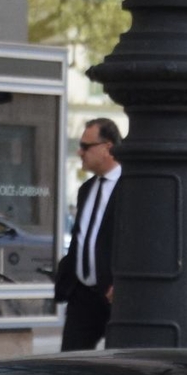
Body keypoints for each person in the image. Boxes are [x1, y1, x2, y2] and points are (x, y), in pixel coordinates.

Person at [55, 117, 123, 350]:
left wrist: (122, 281)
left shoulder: (131, 186)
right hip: (82, 295)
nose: (80, 152)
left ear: (108, 148)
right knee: (70, 364)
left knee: (119, 365)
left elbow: (138, 241)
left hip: (114, 295)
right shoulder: (86, 189)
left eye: (86, 146)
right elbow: (81, 237)